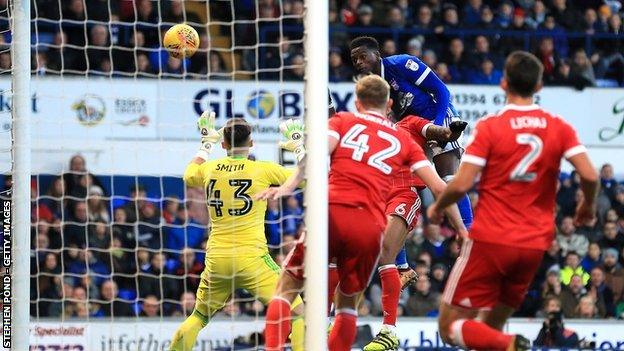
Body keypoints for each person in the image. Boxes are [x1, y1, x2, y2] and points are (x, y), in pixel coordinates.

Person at [259, 75, 462, 351]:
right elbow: (439, 186)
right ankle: (332, 319)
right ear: (388, 102)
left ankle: (277, 346)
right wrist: (462, 229)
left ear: (357, 102)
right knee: (348, 304)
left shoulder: (344, 121)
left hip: (334, 214)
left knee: (285, 289)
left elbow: (317, 156)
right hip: (369, 224)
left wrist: (289, 184)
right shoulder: (401, 139)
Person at [428, 51, 599, 351]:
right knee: (488, 330)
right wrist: (587, 207)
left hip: (492, 238)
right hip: (533, 244)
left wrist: (438, 207)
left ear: (503, 83)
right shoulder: (558, 125)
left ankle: (512, 344)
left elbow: (463, 183)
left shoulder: (491, 125)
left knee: (448, 327)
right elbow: (590, 175)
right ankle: (504, 342)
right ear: (539, 86)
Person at [168, 114, 304, 351]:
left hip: (217, 258)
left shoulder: (209, 168)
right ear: (251, 143)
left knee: (199, 316)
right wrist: (299, 147)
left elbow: (189, 175)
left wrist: (205, 144)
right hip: (252, 258)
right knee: (300, 312)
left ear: (224, 145)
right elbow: (304, 179)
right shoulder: (263, 169)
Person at [364, 115, 467, 350]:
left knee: (385, 250)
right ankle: (329, 316)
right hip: (375, 199)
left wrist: (451, 133)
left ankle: (388, 330)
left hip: (403, 194)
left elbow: (439, 133)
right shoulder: (364, 132)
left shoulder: (409, 123)